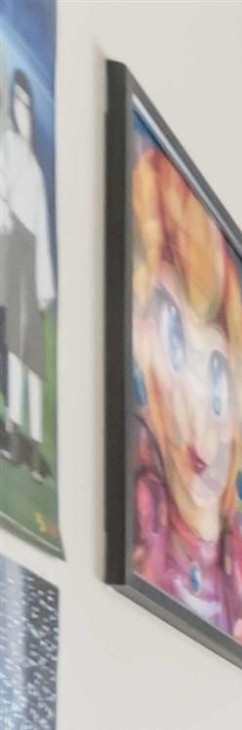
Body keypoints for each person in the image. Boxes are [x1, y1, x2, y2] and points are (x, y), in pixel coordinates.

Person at [126, 130, 242, 643]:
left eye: (218, 378)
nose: (198, 420)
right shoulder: (144, 517)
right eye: (174, 340)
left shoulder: (240, 567)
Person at [0, 68, 50, 476]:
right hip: (12, 250)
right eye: (15, 103)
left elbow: (44, 232)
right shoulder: (9, 150)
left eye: (26, 105)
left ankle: (32, 442)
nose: (21, 111)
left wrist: (45, 285)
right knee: (15, 350)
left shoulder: (34, 168)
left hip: (31, 260)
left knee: (32, 357)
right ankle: (15, 431)